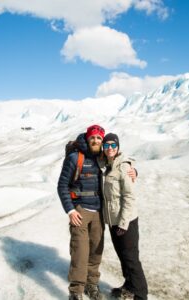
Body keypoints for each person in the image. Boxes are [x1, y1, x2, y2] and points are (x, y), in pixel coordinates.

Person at [58, 125, 137, 300]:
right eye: (92, 138)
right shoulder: (74, 158)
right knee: (80, 252)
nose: (95, 141)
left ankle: (92, 285)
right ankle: (76, 291)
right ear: (87, 138)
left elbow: (120, 162)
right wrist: (70, 210)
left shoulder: (102, 158)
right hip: (80, 211)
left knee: (96, 251)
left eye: (99, 139)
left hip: (99, 213)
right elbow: (62, 186)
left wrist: (133, 169)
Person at [99, 133, 148, 300]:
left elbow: (129, 197)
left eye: (113, 145)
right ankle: (129, 286)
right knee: (123, 257)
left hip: (125, 221)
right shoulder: (107, 165)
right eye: (106, 146)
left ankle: (141, 295)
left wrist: (123, 223)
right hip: (113, 221)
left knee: (131, 259)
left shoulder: (124, 167)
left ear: (118, 147)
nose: (110, 148)